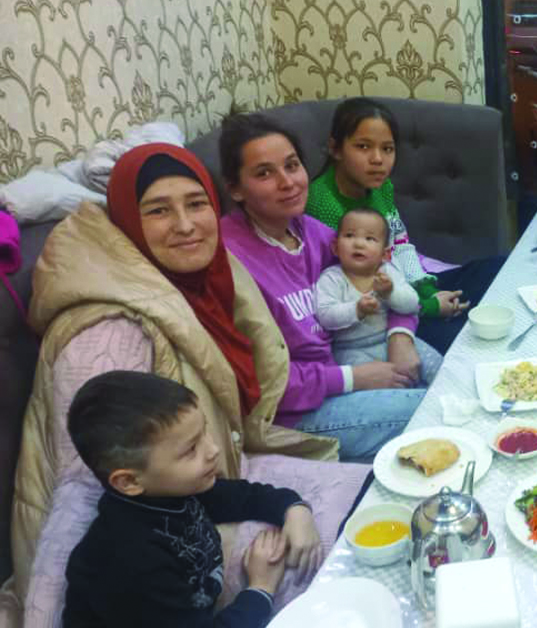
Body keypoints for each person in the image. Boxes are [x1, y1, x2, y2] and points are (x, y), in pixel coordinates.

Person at [4, 143, 367, 625]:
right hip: (153, 563)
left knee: (367, 497)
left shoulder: (205, 279)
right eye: (158, 210)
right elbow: (80, 495)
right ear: (128, 223)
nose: (185, 224)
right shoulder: (110, 331)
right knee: (334, 557)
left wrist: (290, 503)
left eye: (196, 203)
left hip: (202, 489)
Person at [218, 113, 430, 462]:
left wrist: (400, 336)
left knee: (453, 376)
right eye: (264, 173)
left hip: (354, 362)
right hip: (294, 414)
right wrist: (352, 378)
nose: (287, 182)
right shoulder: (231, 261)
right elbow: (260, 384)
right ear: (236, 188)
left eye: (292, 165)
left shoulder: (314, 233)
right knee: (433, 410)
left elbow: (384, 278)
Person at [63, 372, 319, 627]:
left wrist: (294, 509)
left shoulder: (173, 488)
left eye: (204, 431)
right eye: (190, 449)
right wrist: (261, 588)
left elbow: (244, 496)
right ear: (129, 482)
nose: (213, 450)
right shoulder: (130, 563)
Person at [305, 96, 504, 354]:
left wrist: (427, 288)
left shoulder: (381, 187)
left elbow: (400, 244)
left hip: (409, 289)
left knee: (496, 269)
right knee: (469, 339)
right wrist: (428, 307)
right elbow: (361, 282)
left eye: (387, 149)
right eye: (363, 146)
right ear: (336, 148)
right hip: (378, 315)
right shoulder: (323, 205)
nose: (378, 159)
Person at [316, 207, 438, 384]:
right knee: (387, 386)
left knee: (437, 367)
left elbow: (412, 304)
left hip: (388, 338)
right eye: (349, 236)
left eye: (369, 238)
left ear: (385, 254)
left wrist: (390, 293)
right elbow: (325, 316)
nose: (358, 244)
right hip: (350, 349)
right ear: (335, 247)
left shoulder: (387, 272)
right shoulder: (331, 278)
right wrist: (356, 309)